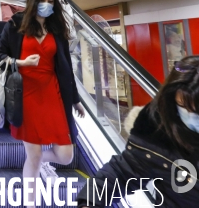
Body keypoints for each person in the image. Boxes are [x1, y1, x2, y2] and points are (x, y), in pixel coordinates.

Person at [0, 0, 84, 208]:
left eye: (50, 1)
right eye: (42, 0)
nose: (46, 5)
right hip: (26, 95)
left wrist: (74, 99)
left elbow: (65, 67)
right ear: (33, 1)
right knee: (32, 156)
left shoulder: (56, 28)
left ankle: (42, 162)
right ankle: (30, 203)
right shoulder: (16, 24)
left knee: (66, 155)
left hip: (53, 94)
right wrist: (21, 62)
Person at [78, 56, 199, 208]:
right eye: (182, 106)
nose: (189, 116)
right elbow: (125, 170)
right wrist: (90, 201)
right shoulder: (157, 132)